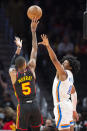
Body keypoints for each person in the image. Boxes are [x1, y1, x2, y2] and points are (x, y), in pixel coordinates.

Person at [38, 34, 80, 131]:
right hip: (68, 106)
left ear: (70, 67)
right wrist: (74, 109)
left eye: (65, 63)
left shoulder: (64, 73)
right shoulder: (71, 77)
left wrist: (48, 46)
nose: (62, 63)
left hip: (62, 107)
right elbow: (73, 92)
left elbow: (54, 60)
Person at [9, 19, 42, 131]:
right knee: (36, 129)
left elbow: (12, 64)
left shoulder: (14, 74)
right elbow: (35, 49)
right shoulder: (31, 68)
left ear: (17, 67)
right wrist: (33, 31)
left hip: (23, 106)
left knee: (21, 130)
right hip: (35, 104)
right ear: (25, 63)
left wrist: (18, 49)